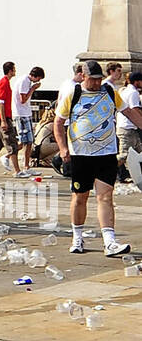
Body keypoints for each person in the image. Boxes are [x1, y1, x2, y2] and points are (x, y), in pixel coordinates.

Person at [55, 60, 142, 257]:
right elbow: (58, 122)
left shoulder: (110, 92)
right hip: (81, 154)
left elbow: (128, 113)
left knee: (106, 196)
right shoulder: (73, 94)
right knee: (80, 197)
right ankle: (77, 236)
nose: (96, 83)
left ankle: (109, 242)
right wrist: (62, 148)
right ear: (83, 76)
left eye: (99, 79)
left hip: (106, 154)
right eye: (93, 79)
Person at [12, 66, 45, 171]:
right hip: (21, 114)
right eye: (39, 78)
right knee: (25, 141)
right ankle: (11, 156)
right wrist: (33, 89)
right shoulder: (25, 81)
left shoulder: (26, 81)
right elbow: (23, 99)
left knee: (28, 141)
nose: (38, 81)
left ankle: (26, 164)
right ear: (36, 76)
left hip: (25, 113)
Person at [117, 70, 142, 182]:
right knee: (123, 155)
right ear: (137, 82)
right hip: (127, 128)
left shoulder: (125, 91)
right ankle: (103, 171)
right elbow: (135, 110)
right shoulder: (133, 93)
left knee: (140, 151)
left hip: (130, 128)